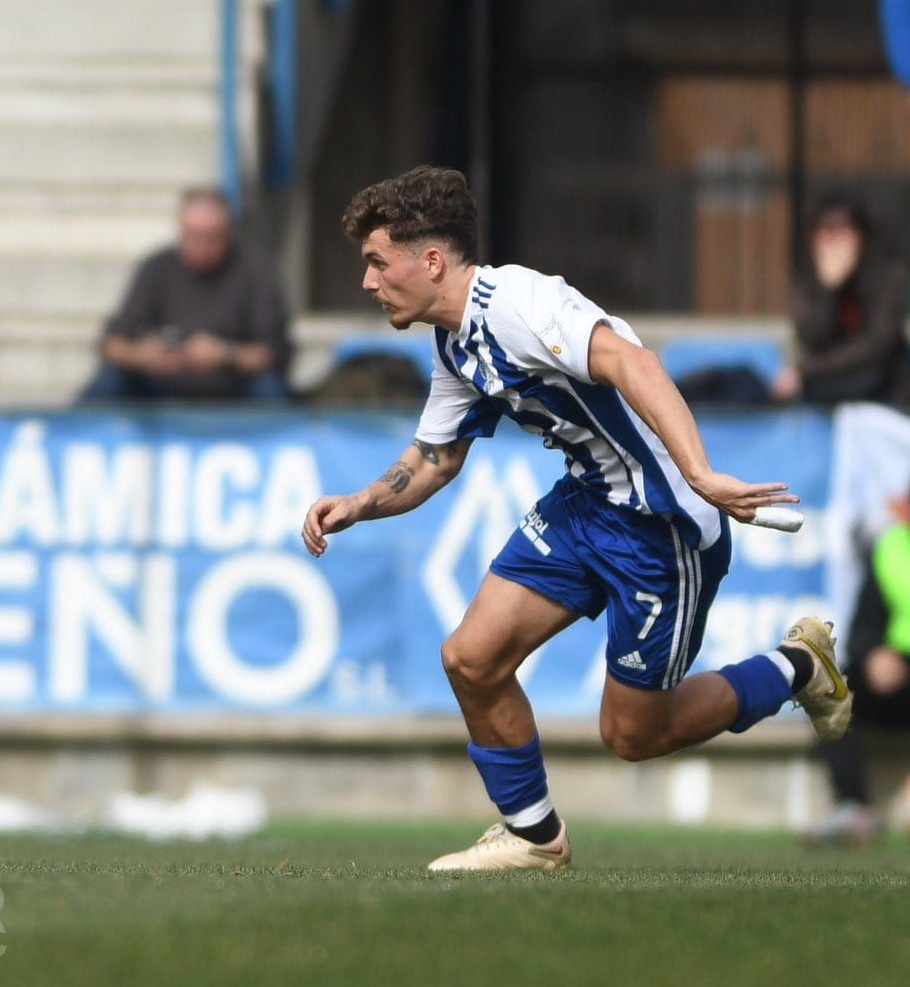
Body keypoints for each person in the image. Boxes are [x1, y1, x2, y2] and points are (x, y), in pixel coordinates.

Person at [300, 165, 851, 872]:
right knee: (470, 659)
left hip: (662, 529)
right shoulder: (453, 340)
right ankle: (535, 838)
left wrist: (699, 473)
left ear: (431, 261)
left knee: (633, 736)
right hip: (585, 506)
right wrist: (359, 503)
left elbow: (634, 364)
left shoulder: (520, 302)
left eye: (378, 263)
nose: (368, 282)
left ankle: (798, 665)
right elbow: (435, 460)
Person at [82, 188, 289, 402]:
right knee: (110, 381)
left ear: (228, 233)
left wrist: (226, 354)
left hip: (234, 388)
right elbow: (112, 344)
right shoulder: (157, 267)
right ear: (181, 231)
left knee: (269, 388)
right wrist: (143, 356)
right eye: (193, 236)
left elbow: (274, 354)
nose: (202, 246)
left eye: (211, 237)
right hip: (161, 387)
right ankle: (75, 423)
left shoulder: (256, 269)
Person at [805, 493, 910, 846]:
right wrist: (873, 656)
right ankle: (853, 807)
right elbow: (862, 630)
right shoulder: (891, 548)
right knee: (827, 691)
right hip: (896, 679)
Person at [771, 195, 908, 408]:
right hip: (828, 386)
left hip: (883, 386)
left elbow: (878, 344)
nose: (832, 241)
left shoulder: (887, 276)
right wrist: (828, 289)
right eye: (824, 231)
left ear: (861, 234)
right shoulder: (808, 278)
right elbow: (811, 339)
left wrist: (805, 369)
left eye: (841, 230)